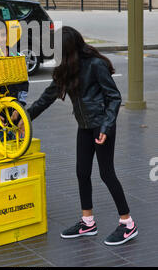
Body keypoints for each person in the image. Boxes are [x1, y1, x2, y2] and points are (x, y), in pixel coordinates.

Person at [20, 26, 138, 246]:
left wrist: (105, 126)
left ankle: (127, 223)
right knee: (82, 172)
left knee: (106, 173)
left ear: (69, 50)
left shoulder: (95, 65)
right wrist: (24, 118)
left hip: (101, 126)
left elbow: (114, 97)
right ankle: (88, 222)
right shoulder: (67, 68)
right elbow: (47, 97)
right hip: (84, 126)